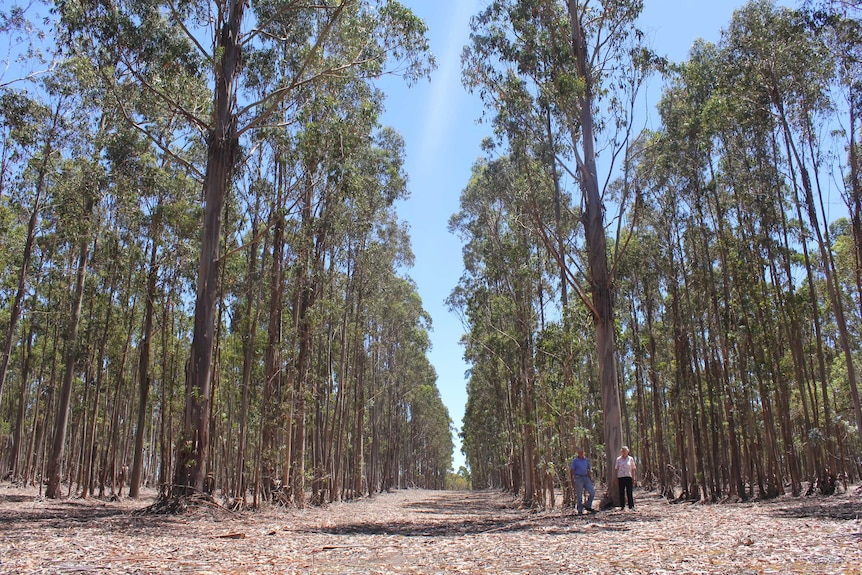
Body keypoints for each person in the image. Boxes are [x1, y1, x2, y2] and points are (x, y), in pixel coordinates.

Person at [569, 447, 595, 515]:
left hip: (586, 477)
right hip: (578, 478)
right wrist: (572, 480)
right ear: (577, 453)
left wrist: (591, 478)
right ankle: (580, 510)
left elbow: (588, 469)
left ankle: (588, 506)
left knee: (592, 492)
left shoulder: (586, 460)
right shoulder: (575, 461)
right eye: (579, 452)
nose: (581, 453)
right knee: (579, 495)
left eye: (582, 452)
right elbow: (572, 470)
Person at [614, 445, 636, 510]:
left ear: (628, 451)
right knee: (621, 492)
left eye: (625, 451)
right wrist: (616, 478)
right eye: (623, 451)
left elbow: (633, 468)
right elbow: (616, 469)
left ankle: (631, 506)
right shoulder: (618, 459)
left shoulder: (630, 459)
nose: (624, 452)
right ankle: (622, 506)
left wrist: (634, 478)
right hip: (621, 477)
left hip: (628, 476)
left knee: (629, 491)